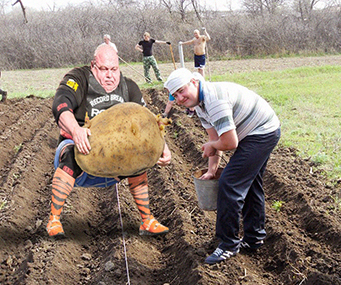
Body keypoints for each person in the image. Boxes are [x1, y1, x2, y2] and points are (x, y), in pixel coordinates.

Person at [47, 44, 171, 238]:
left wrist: (163, 147)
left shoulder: (129, 87)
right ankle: (54, 219)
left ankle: (147, 220)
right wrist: (76, 130)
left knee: (139, 158)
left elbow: (147, 123)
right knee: (71, 154)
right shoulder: (78, 78)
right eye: (104, 69)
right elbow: (61, 104)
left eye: (114, 69)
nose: (109, 75)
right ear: (93, 66)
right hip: (80, 146)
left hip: (116, 158)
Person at [164, 68, 281, 265]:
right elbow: (215, 137)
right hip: (256, 131)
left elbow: (229, 143)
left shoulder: (213, 100)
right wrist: (211, 170)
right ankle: (254, 238)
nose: (180, 98)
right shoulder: (199, 105)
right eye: (175, 95)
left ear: (194, 82)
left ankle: (228, 244)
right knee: (250, 183)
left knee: (229, 183)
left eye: (181, 91)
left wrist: (212, 147)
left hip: (262, 132)